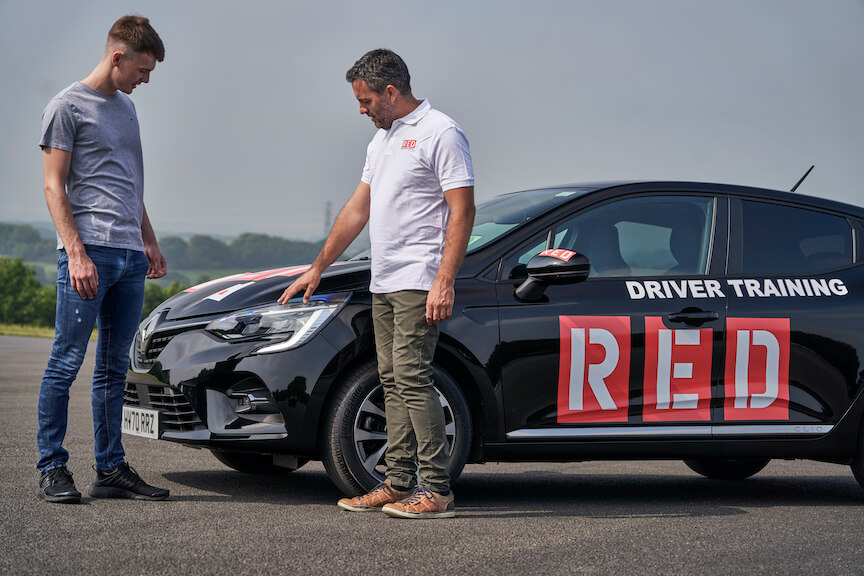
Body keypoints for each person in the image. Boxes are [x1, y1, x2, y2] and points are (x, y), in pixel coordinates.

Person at [279, 48, 475, 519]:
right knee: (391, 382)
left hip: (418, 280)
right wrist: (318, 266)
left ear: (391, 92)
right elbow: (356, 210)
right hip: (383, 280)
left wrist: (444, 280)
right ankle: (398, 482)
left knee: (412, 379)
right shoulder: (381, 141)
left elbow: (463, 210)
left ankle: (436, 490)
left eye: (366, 100)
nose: (361, 110)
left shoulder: (440, 132)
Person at [37, 15, 170, 503]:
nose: (145, 80)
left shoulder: (128, 109)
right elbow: (54, 186)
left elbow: (127, 182)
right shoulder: (66, 107)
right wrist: (76, 253)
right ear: (118, 57)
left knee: (115, 368)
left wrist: (149, 240)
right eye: (142, 69)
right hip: (88, 253)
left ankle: (110, 470)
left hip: (130, 256)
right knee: (65, 361)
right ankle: (52, 467)